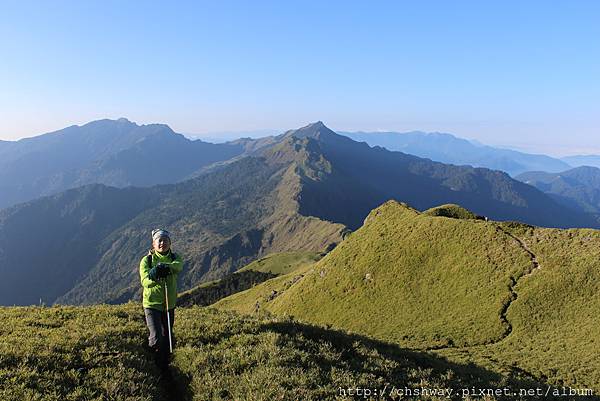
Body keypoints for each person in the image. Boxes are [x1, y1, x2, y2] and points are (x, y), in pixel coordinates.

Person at [139, 228, 183, 371]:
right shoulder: (147, 260)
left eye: (165, 240)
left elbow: (179, 266)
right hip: (152, 304)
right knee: (157, 336)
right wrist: (154, 274)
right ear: (153, 243)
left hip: (169, 304)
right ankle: (155, 363)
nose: (162, 243)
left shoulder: (175, 258)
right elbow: (145, 281)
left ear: (170, 243)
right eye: (160, 240)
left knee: (168, 335)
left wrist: (166, 267)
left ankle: (166, 365)